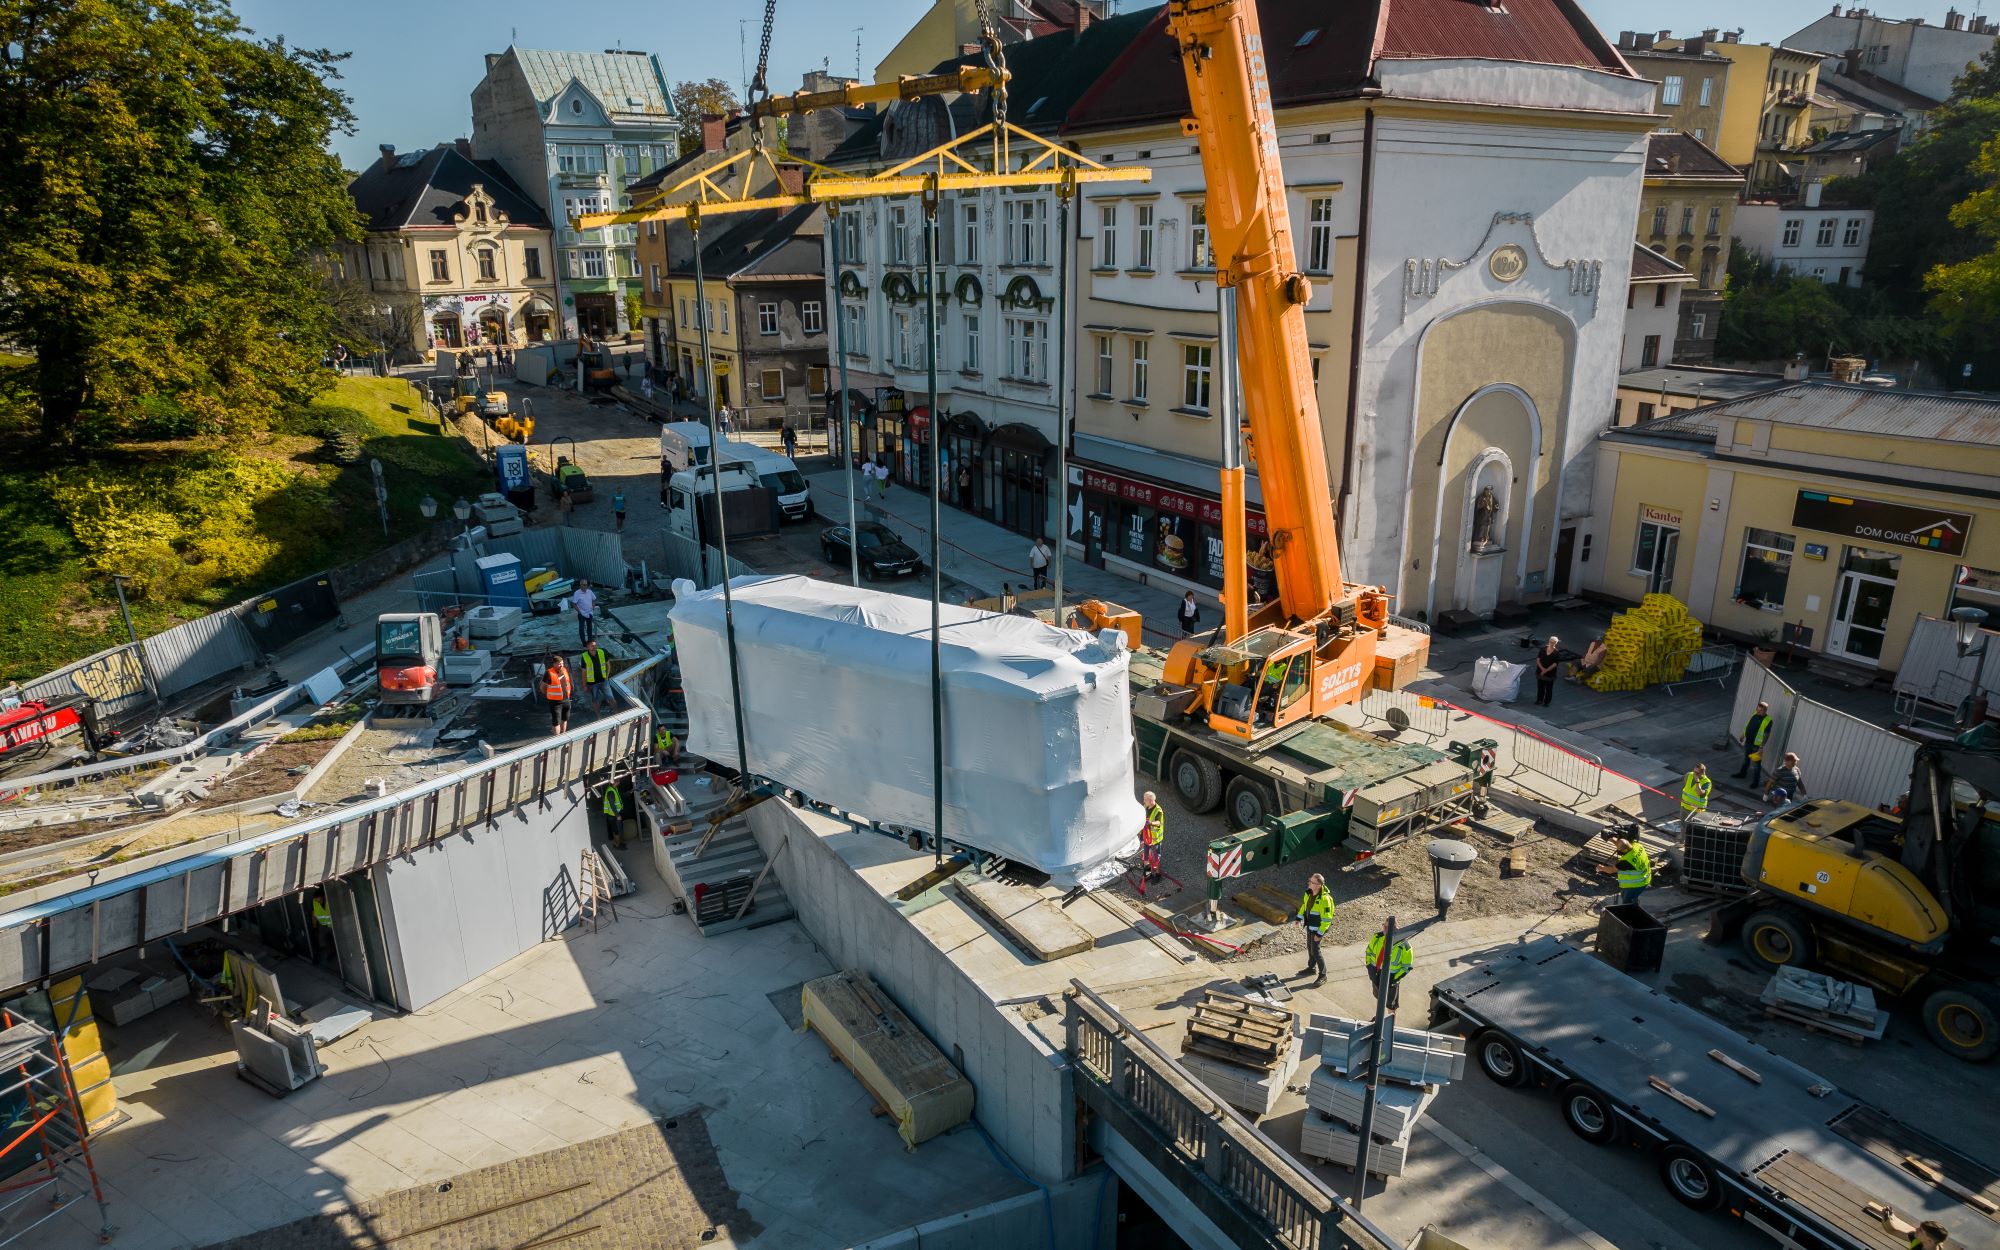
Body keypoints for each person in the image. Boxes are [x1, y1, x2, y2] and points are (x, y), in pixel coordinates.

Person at [1295, 874, 1335, 987]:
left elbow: (1327, 919)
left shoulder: (1325, 899)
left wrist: (1319, 933)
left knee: (1316, 952)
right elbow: (1304, 906)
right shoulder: (1308, 893)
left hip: (1318, 930)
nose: (1309, 883)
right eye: (1309, 881)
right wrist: (1299, 918)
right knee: (1310, 947)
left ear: (1318, 885)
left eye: (1311, 882)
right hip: (1310, 927)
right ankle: (1311, 968)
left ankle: (1323, 975)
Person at [1364, 925, 1414, 1011]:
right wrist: (1369, 967)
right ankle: (1379, 1017)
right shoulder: (1377, 938)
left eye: (1389, 927)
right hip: (1376, 976)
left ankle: (1390, 1022)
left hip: (1391, 981)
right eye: (1384, 926)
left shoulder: (1404, 946)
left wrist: (1394, 979)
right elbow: (1368, 952)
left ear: (1396, 928)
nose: (1385, 929)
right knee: (1379, 997)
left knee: (1391, 1005)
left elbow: (1407, 967)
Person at [1734, 701, 1774, 788]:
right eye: (1758, 709)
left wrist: (1761, 747)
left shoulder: (1768, 720)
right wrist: (1743, 734)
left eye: (1761, 711)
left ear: (1765, 711)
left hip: (1757, 746)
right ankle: (1742, 774)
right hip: (1748, 742)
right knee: (1746, 760)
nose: (1758, 712)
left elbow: (1766, 735)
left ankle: (1755, 783)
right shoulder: (1754, 714)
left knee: (1756, 765)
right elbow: (1748, 725)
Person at [1605, 835, 1652, 904]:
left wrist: (1600, 868)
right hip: (1645, 879)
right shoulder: (1638, 845)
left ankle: (1629, 910)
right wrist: (1613, 841)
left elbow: (1611, 870)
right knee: (1634, 898)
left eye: (1619, 850)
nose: (1618, 851)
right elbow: (1624, 845)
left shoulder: (1627, 861)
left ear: (1624, 850)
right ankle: (1634, 902)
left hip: (1634, 885)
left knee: (1627, 902)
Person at [539, 654, 573, 733]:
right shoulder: (549, 673)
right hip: (555, 702)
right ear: (554, 664)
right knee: (556, 722)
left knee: (564, 719)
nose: (561, 665)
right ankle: (557, 740)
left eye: (562, 663)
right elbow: (542, 687)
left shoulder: (564, 670)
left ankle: (563, 736)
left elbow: (568, 683)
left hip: (566, 700)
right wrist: (548, 695)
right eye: (558, 663)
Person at [579, 640, 613, 710]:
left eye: (595, 645)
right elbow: (583, 672)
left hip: (604, 680)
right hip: (592, 683)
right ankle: (599, 717)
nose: (594, 647)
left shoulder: (601, 652)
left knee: (611, 698)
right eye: (592, 646)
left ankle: (617, 713)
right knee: (595, 701)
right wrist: (584, 685)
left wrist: (607, 676)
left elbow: (608, 665)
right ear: (588, 647)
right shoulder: (584, 656)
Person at [1139, 790, 1165, 879]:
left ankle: (1158, 874)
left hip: (1154, 840)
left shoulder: (1158, 810)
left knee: (1155, 858)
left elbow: (1158, 822)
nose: (1144, 801)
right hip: (1146, 837)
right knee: (1145, 857)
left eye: (1145, 800)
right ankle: (1148, 873)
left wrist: (1150, 823)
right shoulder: (1145, 807)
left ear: (1150, 800)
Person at [1534, 635, 1561, 707]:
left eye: (1554, 642)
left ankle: (1547, 702)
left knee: (1549, 689)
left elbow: (1555, 664)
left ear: (1556, 643)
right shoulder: (1543, 649)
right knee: (1540, 687)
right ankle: (1539, 700)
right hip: (1540, 672)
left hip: (1550, 674)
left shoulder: (1556, 652)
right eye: (1551, 642)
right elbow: (1538, 659)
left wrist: (1546, 670)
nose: (1552, 643)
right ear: (1549, 641)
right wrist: (1542, 669)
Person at [571, 578, 598, 645]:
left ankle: (590, 640)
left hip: (589, 612)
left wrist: (593, 607)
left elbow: (594, 599)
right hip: (582, 613)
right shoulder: (577, 593)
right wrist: (579, 612)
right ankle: (584, 642)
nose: (585, 586)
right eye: (583, 585)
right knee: (581, 628)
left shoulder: (590, 592)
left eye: (586, 585)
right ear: (580, 585)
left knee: (589, 627)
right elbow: (574, 604)